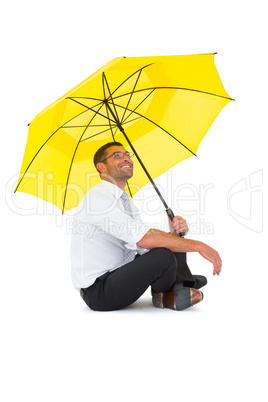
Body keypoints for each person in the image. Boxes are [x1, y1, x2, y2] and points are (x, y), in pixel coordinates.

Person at [70, 141, 222, 312]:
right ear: (101, 167)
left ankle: (179, 284)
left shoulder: (124, 201)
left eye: (127, 155)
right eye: (117, 155)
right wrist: (200, 246)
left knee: (169, 242)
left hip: (118, 273)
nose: (126, 158)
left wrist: (172, 233)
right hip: (99, 291)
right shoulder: (97, 199)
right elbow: (143, 239)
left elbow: (143, 246)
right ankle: (170, 290)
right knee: (163, 255)